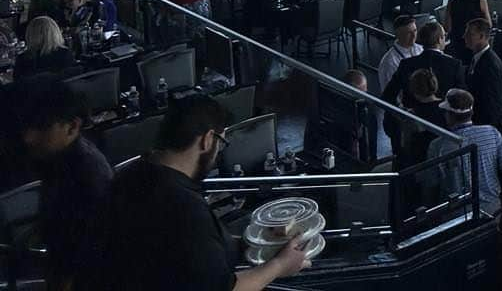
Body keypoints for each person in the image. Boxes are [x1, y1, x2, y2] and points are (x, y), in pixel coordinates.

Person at [86, 94, 310, 290]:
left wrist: (256, 243)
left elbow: (188, 250)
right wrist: (280, 265)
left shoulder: (129, 174)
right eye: (221, 143)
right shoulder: (182, 206)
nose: (218, 153)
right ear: (207, 140)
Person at [20, 79, 114, 291]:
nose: (28, 137)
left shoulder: (84, 182)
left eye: (42, 127)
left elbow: (71, 268)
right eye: (28, 126)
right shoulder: (57, 157)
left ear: (73, 126)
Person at [427, 88, 502, 208]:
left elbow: (431, 186)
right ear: (471, 112)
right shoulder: (491, 133)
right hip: (492, 210)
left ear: (450, 115)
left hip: (455, 217)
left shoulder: (437, 146)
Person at [463, 17, 502, 129]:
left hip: (486, 125)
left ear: (481, 37)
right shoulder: (477, 58)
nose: (464, 37)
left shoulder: (490, 65)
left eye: (469, 34)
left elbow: (490, 103)